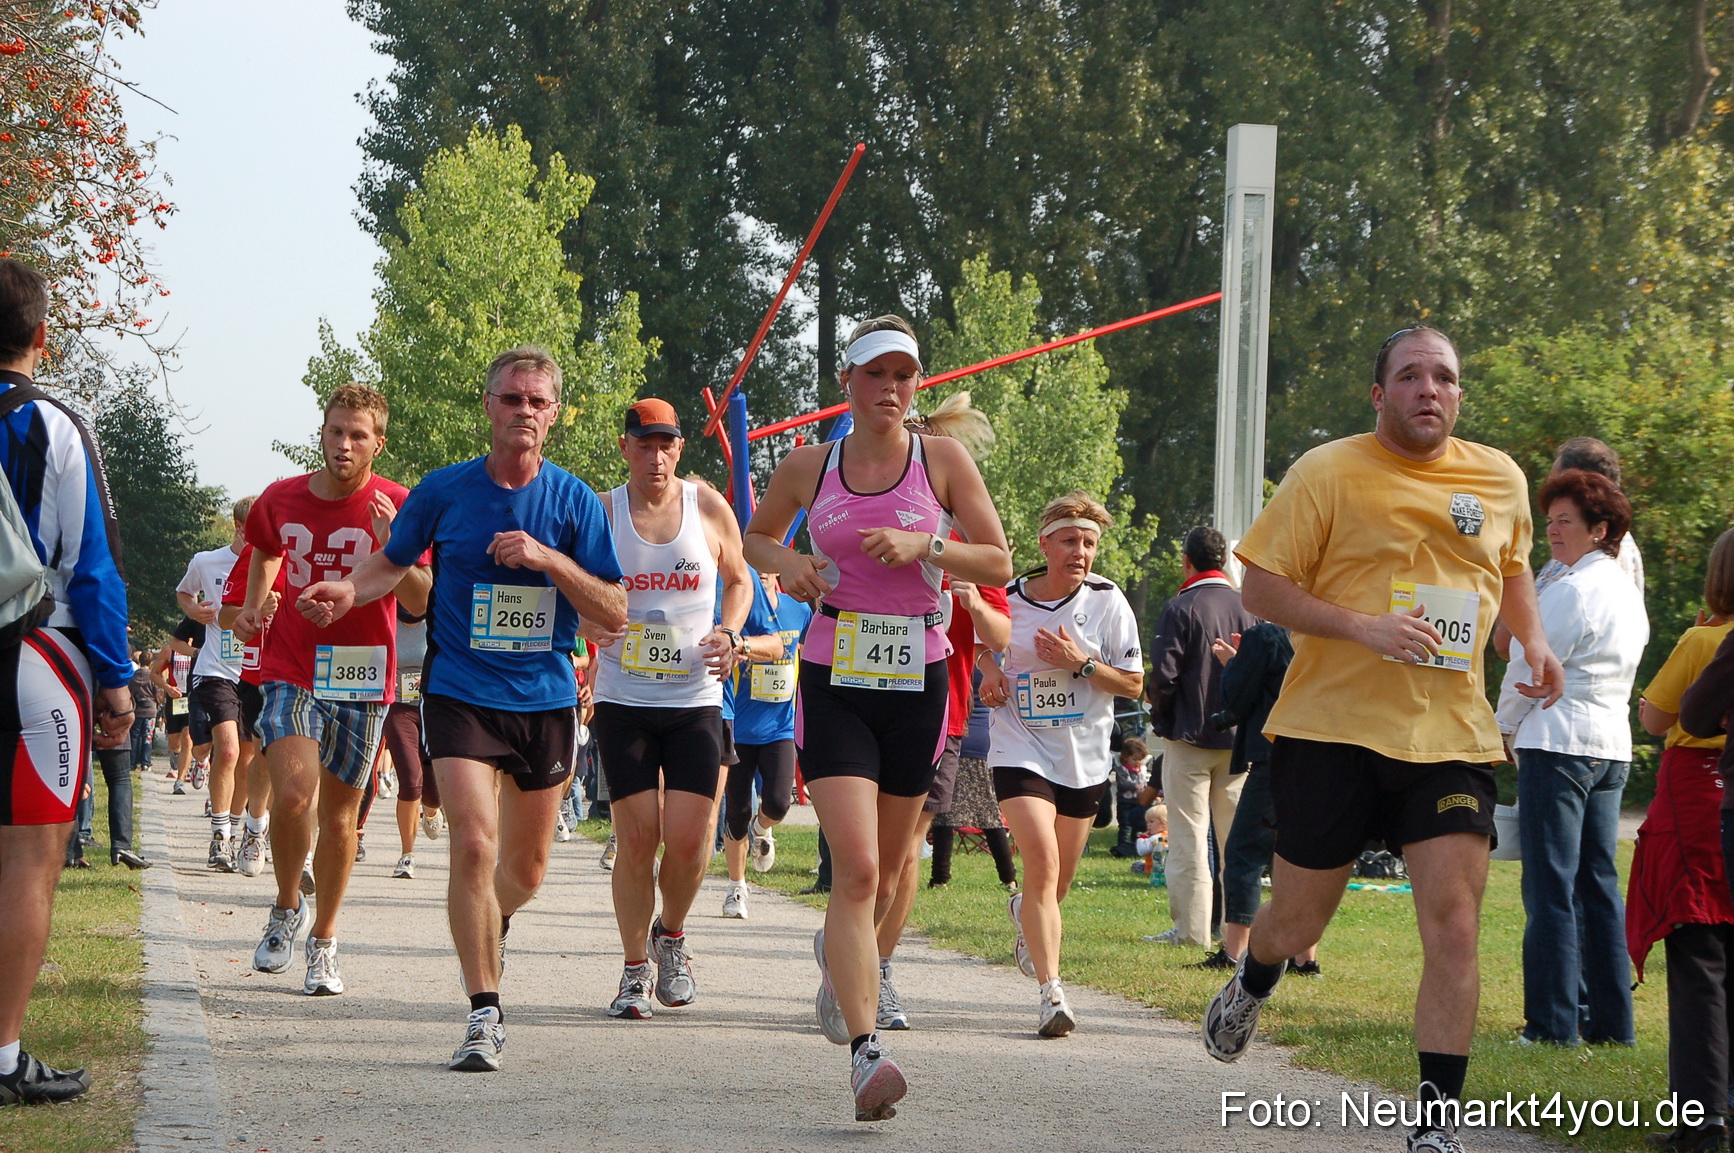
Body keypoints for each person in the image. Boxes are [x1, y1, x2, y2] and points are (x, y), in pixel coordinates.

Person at [1201, 324, 1563, 1153]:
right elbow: (1261, 588)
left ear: (1459, 394)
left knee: (1456, 923)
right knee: (1297, 922)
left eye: (1444, 377)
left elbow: (1511, 571)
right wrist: (1364, 626)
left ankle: (1435, 1123)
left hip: (1449, 736)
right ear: (1378, 393)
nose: (1429, 388)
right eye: (1409, 375)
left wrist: (1534, 641)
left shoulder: (1499, 477)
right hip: (1331, 730)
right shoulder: (1328, 470)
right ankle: (1255, 976)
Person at [299, 346, 625, 1071]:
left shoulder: (575, 501)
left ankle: (490, 916)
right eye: (512, 398)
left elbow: (614, 609)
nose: (524, 411)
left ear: (554, 414)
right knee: (474, 845)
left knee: (525, 871)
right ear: (489, 406)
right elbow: (392, 562)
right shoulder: (444, 490)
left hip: (543, 699)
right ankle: (484, 1011)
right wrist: (348, 590)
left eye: (537, 401)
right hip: (459, 693)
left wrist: (549, 559)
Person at [743, 315, 1011, 1122]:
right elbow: (755, 540)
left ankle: (842, 955)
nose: (890, 388)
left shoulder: (942, 461)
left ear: (916, 384)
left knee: (891, 873)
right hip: (835, 678)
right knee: (858, 870)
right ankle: (866, 1055)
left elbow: (998, 561)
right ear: (847, 383)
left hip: (918, 680)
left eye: (903, 375)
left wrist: (927, 546)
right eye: (875, 374)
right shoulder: (808, 465)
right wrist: (791, 563)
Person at [234, 383, 430, 998]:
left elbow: (421, 602)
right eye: (335, 431)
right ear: (321, 433)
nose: (344, 444)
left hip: (362, 671)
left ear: (378, 443)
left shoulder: (400, 504)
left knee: (341, 815)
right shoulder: (281, 496)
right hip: (290, 664)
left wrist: (393, 546)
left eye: (357, 435)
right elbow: (266, 549)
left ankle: (324, 940)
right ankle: (285, 905)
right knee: (294, 794)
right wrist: (255, 603)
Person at [0, 257, 135, 1105]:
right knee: (30, 856)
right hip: (35, 657)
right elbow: (93, 570)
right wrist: (117, 680)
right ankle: (3, 1053)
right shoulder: (56, 426)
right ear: (42, 335)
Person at [584, 399, 749, 1019]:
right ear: (625, 447)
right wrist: (587, 626)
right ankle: (633, 971)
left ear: (679, 448)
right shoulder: (601, 511)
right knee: (636, 838)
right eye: (644, 444)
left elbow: (740, 578)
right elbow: (568, 586)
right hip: (624, 697)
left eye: (666, 445)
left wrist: (730, 632)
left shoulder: (707, 506)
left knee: (687, 841)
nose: (655, 457)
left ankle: (670, 935)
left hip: (695, 698)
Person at [980, 491, 1144, 1037]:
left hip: (1083, 756)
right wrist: (989, 670)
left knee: (1058, 883)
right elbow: (979, 644)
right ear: (1045, 544)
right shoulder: (1010, 597)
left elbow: (1134, 684)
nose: (1081, 552)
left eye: (1090, 543)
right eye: (1070, 540)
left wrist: (1083, 663)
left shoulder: (1108, 600)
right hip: (1020, 746)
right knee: (1043, 864)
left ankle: (1025, 912)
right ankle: (1052, 994)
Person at [1495, 469, 1648, 1047]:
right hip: (1610, 746)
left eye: (1565, 522)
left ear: (1599, 529)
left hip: (1558, 743)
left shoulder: (1570, 589)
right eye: (1550, 521)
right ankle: (1613, 1025)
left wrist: (1502, 728)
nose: (1553, 532)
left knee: (1551, 888)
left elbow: (1526, 664)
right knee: (1599, 888)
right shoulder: (1627, 593)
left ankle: (1553, 1025)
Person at [872, 392, 1010, 1031]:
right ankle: (849, 951)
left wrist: (968, 598)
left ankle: (876, 968)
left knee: (905, 852)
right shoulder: (866, 528)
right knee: (863, 855)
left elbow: (1000, 634)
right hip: (860, 702)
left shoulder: (963, 546)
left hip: (940, 713)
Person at [1628, 527, 1734, 1151]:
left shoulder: (1703, 640)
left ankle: (1701, 1116)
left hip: (1699, 794)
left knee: (1699, 958)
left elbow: (1656, 716)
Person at [1146, 526, 1259, 948]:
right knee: (1237, 845)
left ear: (1186, 562)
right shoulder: (1250, 608)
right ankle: (1238, 935)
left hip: (1189, 736)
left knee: (1189, 838)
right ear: (1225, 561)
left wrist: (1163, 720)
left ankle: (1192, 932)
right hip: (1239, 741)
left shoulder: (1180, 606)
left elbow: (1164, 676)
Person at [1199, 622, 1316, 975]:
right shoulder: (1319, 632)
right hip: (1320, 756)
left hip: (1273, 757)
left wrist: (1233, 663)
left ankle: (1235, 952)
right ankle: (1305, 958)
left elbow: (1237, 696)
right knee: (1299, 855)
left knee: (1243, 853)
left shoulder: (1264, 635)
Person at [720, 568, 812, 919]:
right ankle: (736, 887)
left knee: (777, 802)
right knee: (737, 812)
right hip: (740, 727)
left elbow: (812, 651)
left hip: (780, 727)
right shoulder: (736, 609)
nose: (762, 571)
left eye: (767, 563)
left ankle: (762, 830)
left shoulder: (798, 610)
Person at [176, 498, 257, 870]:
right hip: (216, 669)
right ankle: (219, 837)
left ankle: (237, 830)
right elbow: (184, 592)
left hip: (255, 671)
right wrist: (194, 610)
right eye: (253, 529)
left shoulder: (273, 563)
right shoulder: (207, 562)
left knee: (248, 760)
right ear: (238, 527)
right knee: (227, 751)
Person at [151, 618, 207, 793]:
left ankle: (180, 780)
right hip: (175, 699)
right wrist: (167, 688)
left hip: (192, 696)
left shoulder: (201, 649)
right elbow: (154, 674)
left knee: (188, 738)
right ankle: (176, 759)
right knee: (174, 743)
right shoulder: (169, 650)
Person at [1110, 737, 1151, 858]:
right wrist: (1135, 786)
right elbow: (1122, 784)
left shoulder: (1142, 769)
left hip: (1138, 802)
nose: (1138, 762)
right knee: (1125, 825)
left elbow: (1146, 782)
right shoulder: (1122, 770)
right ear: (1125, 757)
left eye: (1140, 759)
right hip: (1125, 802)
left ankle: (1135, 845)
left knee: (1137, 825)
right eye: (1134, 759)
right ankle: (1122, 846)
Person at [128, 650, 160, 774]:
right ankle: (145, 763)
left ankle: (132, 763)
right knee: (147, 737)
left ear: (139, 661)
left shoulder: (133, 676)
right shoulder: (153, 676)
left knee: (134, 737)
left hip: (137, 710)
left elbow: (129, 691)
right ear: (151, 662)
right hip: (150, 710)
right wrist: (158, 703)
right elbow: (157, 693)